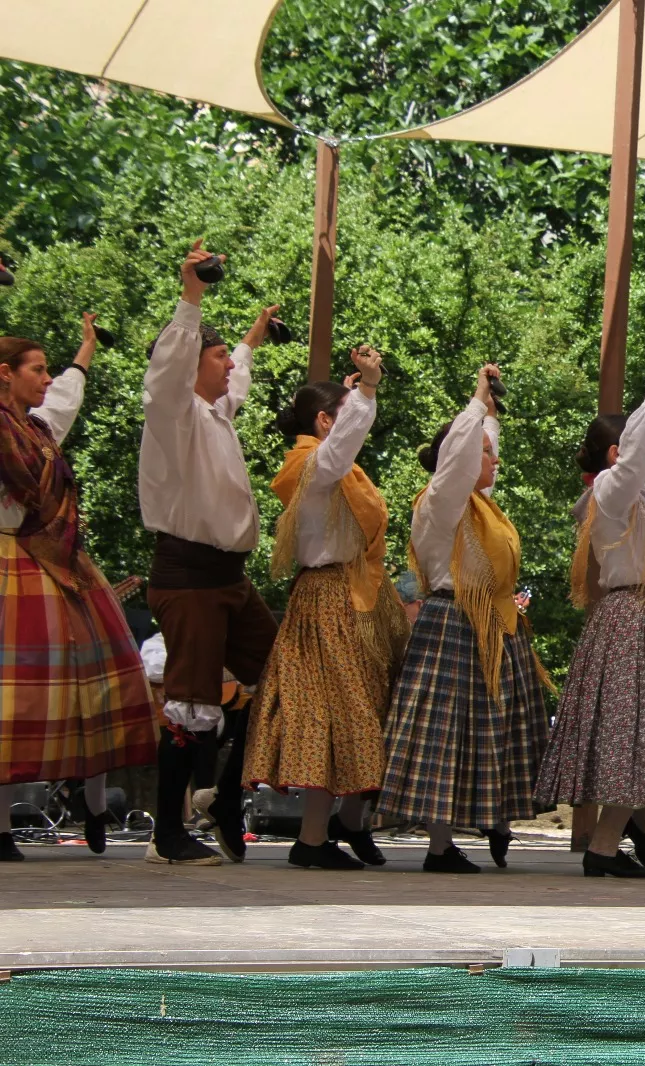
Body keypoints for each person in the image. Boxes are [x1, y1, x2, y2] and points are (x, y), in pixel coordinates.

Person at [536, 353, 645, 879]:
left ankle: (619, 841)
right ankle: (605, 848)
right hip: (633, 620)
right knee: (631, 740)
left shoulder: (631, 501)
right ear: (617, 450)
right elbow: (635, 462)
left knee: (638, 738)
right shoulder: (611, 493)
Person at [377, 365, 550, 873]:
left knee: (489, 732)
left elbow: (473, 458)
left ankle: (494, 820)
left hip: (491, 628)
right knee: (442, 735)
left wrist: (489, 416)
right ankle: (439, 846)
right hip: (452, 624)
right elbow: (458, 461)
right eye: (486, 452)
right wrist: (475, 401)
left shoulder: (477, 507)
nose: (494, 460)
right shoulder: (440, 502)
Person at [242, 348, 410, 870]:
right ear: (324, 421)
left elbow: (342, 451)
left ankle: (341, 826)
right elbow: (337, 453)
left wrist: (357, 397)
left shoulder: (335, 468)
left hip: (357, 596)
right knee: (332, 717)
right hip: (328, 601)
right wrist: (367, 391)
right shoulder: (311, 467)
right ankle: (312, 839)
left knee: (366, 713)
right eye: (342, 417)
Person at [141, 242, 281, 865]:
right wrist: (191, 295)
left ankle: (224, 796)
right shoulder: (173, 417)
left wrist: (248, 337)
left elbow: (237, 376)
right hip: (190, 576)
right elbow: (169, 372)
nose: (229, 365)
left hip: (227, 577)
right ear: (193, 363)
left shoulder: (214, 411)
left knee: (282, 674)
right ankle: (166, 834)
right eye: (218, 355)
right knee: (191, 701)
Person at [0, 315, 158, 862]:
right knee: (12, 695)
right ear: (6, 374)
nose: (46, 378)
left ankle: (94, 802)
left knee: (94, 681)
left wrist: (85, 351)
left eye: (48, 369)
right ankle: (2, 827)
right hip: (10, 555)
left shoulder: (37, 430)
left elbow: (63, 400)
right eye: (36, 369)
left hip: (56, 560)